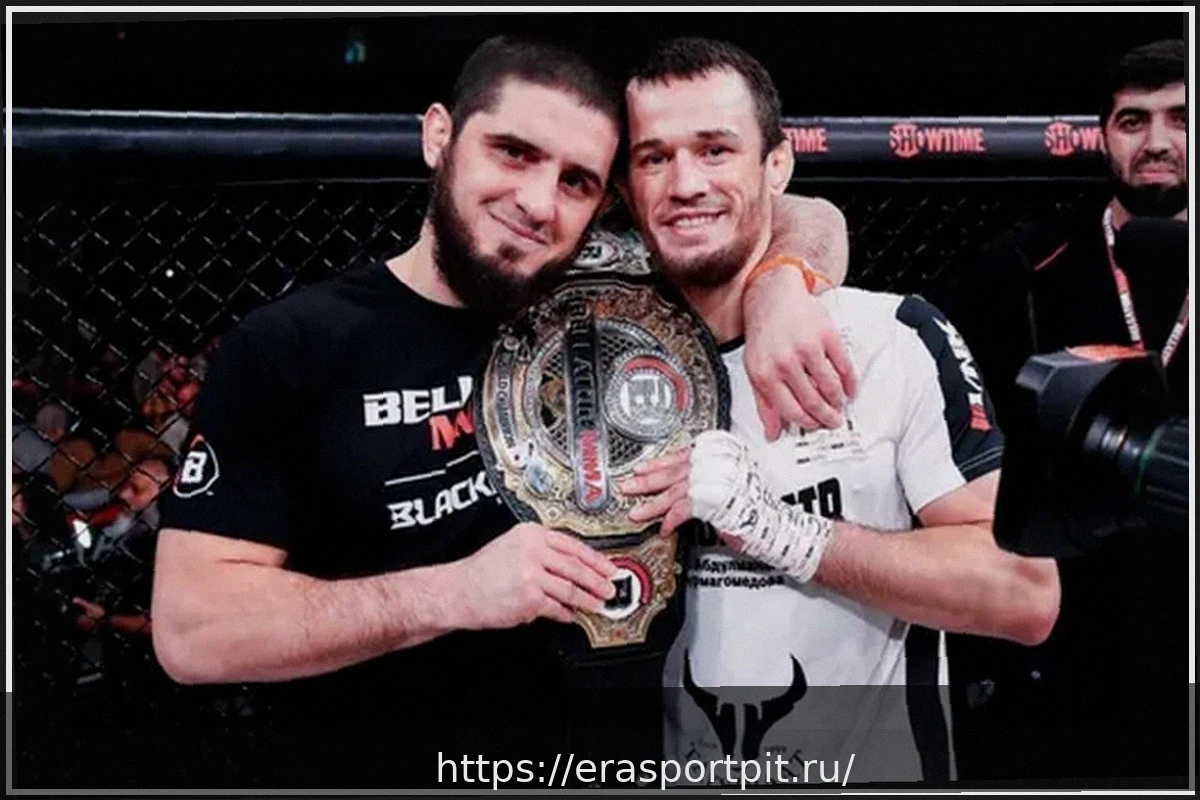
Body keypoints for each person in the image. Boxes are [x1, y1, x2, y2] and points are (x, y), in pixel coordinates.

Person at [151, 36, 854, 787]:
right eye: (513, 153)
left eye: (577, 181)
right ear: (439, 136)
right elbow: (194, 631)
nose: (539, 203)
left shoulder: (618, 302)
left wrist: (780, 285)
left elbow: (799, 211)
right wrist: (453, 593)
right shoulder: (296, 347)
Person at [613, 37, 1061, 784]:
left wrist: (782, 531)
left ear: (776, 166)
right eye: (654, 158)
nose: (685, 183)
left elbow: (1024, 593)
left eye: (716, 150)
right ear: (627, 188)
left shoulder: (890, 339)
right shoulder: (591, 365)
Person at [932, 39, 1188, 782]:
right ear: (1104, 134)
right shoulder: (1030, 263)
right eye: (1133, 121)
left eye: (1182, 118)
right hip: (1070, 625)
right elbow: (922, 351)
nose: (1157, 142)